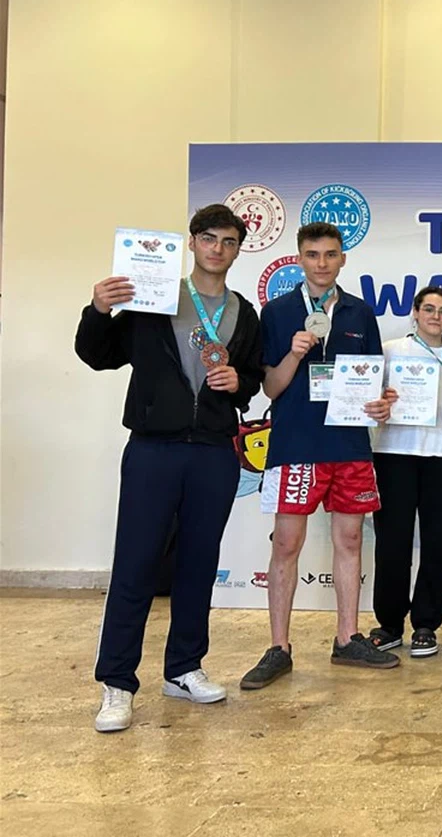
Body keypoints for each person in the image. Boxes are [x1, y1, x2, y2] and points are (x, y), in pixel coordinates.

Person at [76, 205, 264, 732]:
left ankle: (183, 668)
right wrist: (98, 309)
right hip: (154, 449)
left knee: (199, 565)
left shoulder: (244, 313)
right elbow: (97, 354)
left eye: (229, 241)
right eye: (209, 238)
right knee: (135, 565)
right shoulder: (152, 297)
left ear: (238, 249)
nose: (218, 249)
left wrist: (239, 384)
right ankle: (117, 682)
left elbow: (250, 378)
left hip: (213, 452)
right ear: (192, 242)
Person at [240, 222, 397, 690]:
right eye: (313, 255)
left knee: (350, 540)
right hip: (296, 445)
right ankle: (278, 647)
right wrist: (292, 354)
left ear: (343, 258)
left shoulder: (360, 312)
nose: (322, 263)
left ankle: (347, 638)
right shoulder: (277, 312)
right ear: (299, 259)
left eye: (330, 254)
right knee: (286, 545)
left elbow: (372, 381)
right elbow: (270, 387)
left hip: (349, 446)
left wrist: (382, 403)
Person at [367, 286, 442, 657]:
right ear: (415, 313)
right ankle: (389, 624)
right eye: (430, 309)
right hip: (395, 452)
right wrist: (383, 403)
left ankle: (426, 624)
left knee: (437, 542)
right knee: (393, 543)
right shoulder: (390, 350)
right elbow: (372, 403)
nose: (436, 316)